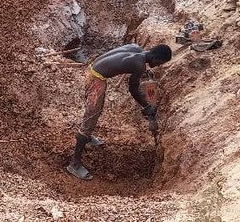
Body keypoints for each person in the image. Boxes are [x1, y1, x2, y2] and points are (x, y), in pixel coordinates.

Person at [67, 43, 173, 180]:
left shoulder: (136, 49)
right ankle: (74, 164)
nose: (158, 66)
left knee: (96, 112)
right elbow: (133, 90)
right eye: (159, 63)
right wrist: (147, 106)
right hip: (96, 80)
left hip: (93, 69)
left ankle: (87, 138)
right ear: (156, 58)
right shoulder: (139, 65)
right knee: (90, 119)